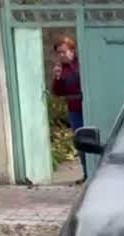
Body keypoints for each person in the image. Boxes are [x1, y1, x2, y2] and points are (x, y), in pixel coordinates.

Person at [50, 36, 86, 182]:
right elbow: (57, 92)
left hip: (88, 105)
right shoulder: (61, 70)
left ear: (72, 51)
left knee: (94, 139)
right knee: (81, 141)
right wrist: (57, 79)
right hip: (74, 109)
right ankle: (86, 173)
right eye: (59, 52)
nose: (61, 55)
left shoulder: (81, 63)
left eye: (64, 51)